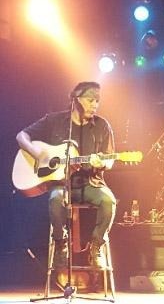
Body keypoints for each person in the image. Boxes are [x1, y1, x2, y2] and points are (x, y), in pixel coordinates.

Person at [16, 81, 116, 268]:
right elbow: (21, 136)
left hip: (90, 183)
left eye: (98, 100)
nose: (95, 104)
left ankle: (96, 246)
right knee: (55, 199)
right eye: (91, 100)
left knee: (108, 201)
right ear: (76, 100)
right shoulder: (54, 121)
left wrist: (102, 162)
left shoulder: (102, 126)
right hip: (61, 184)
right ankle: (61, 244)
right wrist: (37, 153)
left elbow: (110, 160)